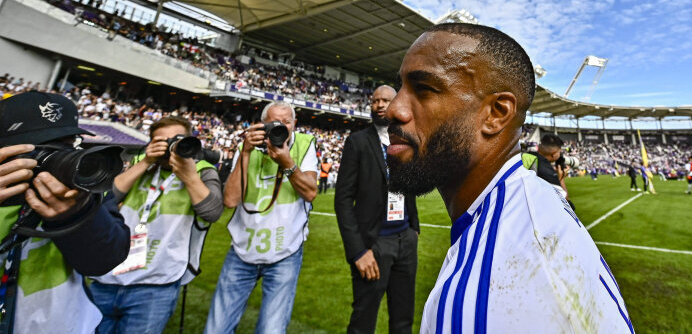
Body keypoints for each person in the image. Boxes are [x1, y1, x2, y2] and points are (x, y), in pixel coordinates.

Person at [384, 23, 631, 333]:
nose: (393, 109)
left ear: (496, 114)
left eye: (424, 89)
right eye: (400, 87)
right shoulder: (528, 207)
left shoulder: (491, 296)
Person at [0, 91, 129, 333]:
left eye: (66, 146)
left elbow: (106, 259)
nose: (55, 159)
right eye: (37, 149)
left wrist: (76, 215)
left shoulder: (85, 186)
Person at [92, 115, 224, 334]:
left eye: (176, 140)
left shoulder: (202, 170)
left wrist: (189, 176)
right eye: (162, 141)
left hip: (156, 283)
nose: (169, 146)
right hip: (108, 276)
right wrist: (145, 162)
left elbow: (212, 212)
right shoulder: (139, 163)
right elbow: (104, 199)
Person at [204, 101, 318, 334]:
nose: (282, 126)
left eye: (287, 122)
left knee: (272, 330)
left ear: (294, 124)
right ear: (262, 125)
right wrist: (245, 152)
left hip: (285, 249)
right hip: (242, 248)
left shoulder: (305, 144)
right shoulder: (245, 148)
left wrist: (286, 162)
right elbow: (230, 201)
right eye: (275, 122)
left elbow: (310, 192)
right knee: (216, 328)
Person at [334, 86, 419, 334]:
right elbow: (343, 200)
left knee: (403, 319)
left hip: (405, 240)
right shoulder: (358, 142)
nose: (380, 105)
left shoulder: (405, 140)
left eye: (385, 101)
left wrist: (414, 227)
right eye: (375, 101)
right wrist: (358, 251)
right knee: (363, 320)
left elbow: (410, 186)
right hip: (374, 243)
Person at [522, 134, 569, 199]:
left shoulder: (524, 156)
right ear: (554, 154)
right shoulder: (546, 170)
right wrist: (561, 179)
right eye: (559, 152)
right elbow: (565, 202)